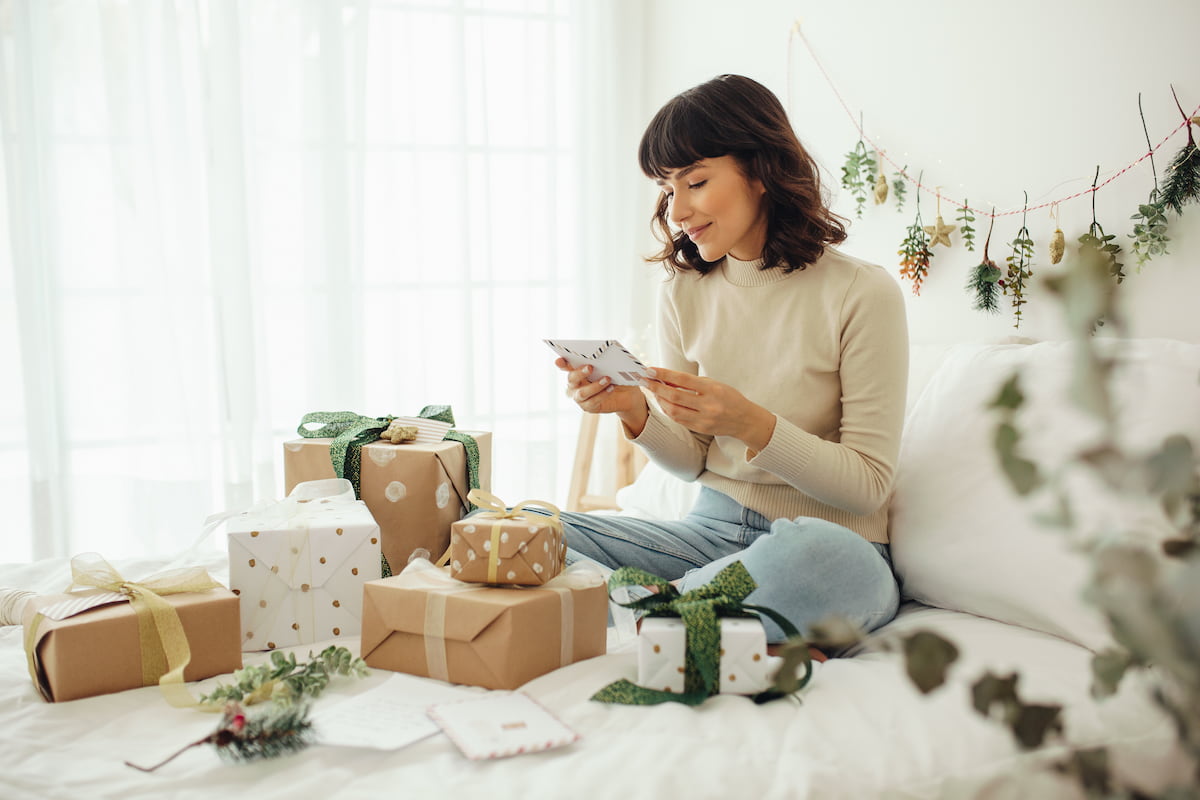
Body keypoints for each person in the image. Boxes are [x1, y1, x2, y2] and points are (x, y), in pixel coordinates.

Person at [553, 74, 908, 644]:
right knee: (527, 530)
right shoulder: (683, 293)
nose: (677, 211)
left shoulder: (862, 293)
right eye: (669, 191)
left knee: (828, 561)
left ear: (761, 171)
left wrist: (750, 422)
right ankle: (695, 617)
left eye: (695, 182)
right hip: (706, 536)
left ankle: (646, 612)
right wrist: (633, 412)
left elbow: (868, 486)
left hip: (823, 542)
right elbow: (694, 462)